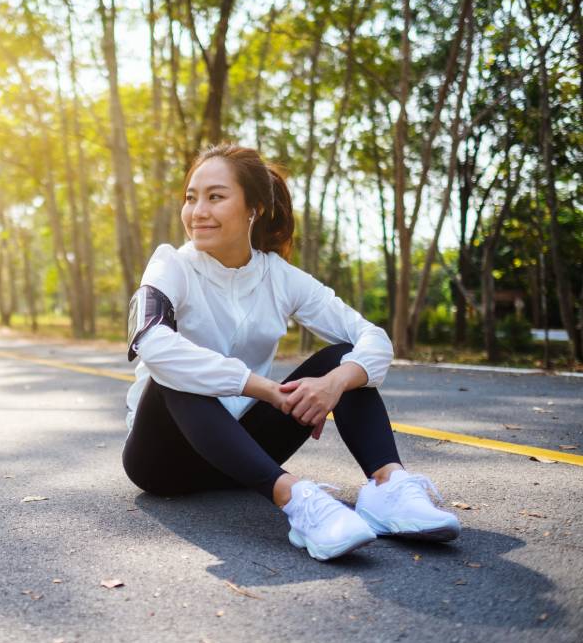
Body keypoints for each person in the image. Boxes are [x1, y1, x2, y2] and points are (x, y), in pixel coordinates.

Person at [122, 143, 459, 561]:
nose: (198, 211)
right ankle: (298, 500)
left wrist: (333, 384)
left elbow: (372, 338)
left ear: (254, 209)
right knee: (175, 372)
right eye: (191, 197)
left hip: (241, 455)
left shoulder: (279, 277)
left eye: (215, 197)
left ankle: (390, 487)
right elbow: (151, 342)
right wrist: (265, 389)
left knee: (343, 357)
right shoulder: (171, 264)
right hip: (162, 462)